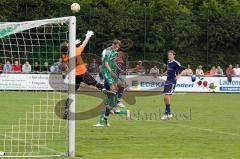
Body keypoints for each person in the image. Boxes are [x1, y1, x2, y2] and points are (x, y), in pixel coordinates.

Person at [61, 31, 104, 119]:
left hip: (74, 76)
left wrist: (72, 45)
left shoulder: (65, 57)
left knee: (71, 93)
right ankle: (104, 89)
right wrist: (88, 36)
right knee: (94, 83)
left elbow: (66, 54)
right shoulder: (76, 51)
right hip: (82, 72)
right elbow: (84, 44)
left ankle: (66, 110)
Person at [94, 39, 129, 127]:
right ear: (113, 45)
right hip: (106, 72)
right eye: (117, 46)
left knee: (122, 85)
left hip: (111, 72)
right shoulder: (108, 52)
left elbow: (113, 62)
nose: (118, 48)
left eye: (118, 47)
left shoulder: (114, 52)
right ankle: (115, 104)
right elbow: (105, 63)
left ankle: (115, 104)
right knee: (112, 92)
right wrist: (111, 72)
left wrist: (120, 70)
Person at [160, 50, 185, 120]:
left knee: (166, 96)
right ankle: (169, 113)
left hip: (172, 81)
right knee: (165, 98)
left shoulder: (176, 63)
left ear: (174, 55)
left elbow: (184, 70)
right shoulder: (168, 62)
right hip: (167, 81)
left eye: (171, 54)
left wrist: (179, 76)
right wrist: (163, 73)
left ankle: (166, 113)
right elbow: (168, 70)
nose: (169, 56)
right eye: (168, 54)